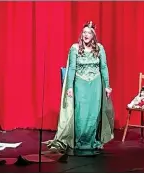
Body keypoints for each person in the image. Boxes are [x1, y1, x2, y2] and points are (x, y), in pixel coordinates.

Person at [44, 21, 115, 156]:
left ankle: (91, 141)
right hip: (80, 84)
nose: (85, 35)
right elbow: (71, 69)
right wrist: (70, 87)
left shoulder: (99, 48)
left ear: (93, 35)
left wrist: (107, 85)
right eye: (84, 33)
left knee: (93, 114)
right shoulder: (75, 48)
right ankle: (79, 141)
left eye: (88, 33)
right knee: (81, 114)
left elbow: (104, 68)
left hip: (95, 85)